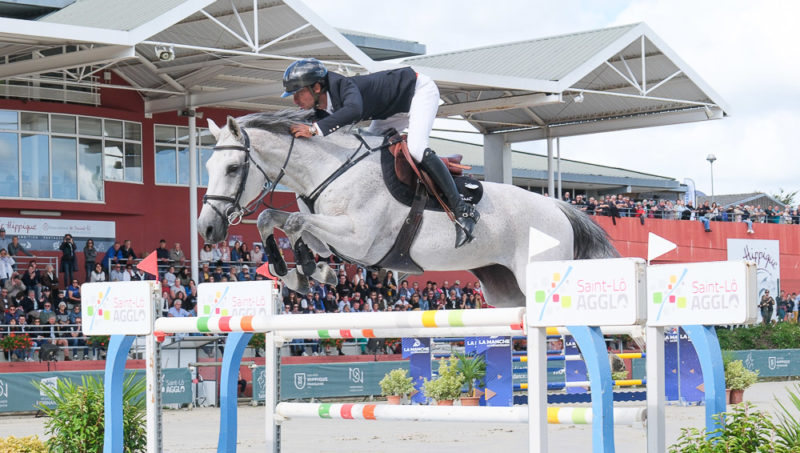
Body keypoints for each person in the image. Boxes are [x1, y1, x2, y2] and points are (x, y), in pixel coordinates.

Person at [282, 58, 479, 247]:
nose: (295, 100)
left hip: (417, 92)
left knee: (417, 148)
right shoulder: (322, 107)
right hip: (390, 112)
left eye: (298, 93)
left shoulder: (342, 86)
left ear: (316, 87)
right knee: (369, 149)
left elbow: (353, 110)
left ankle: (462, 210)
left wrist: (314, 129)